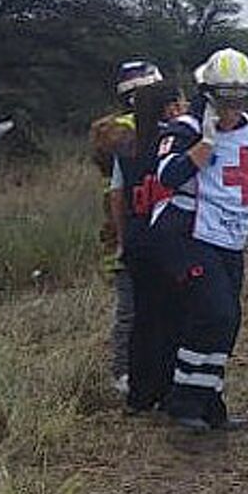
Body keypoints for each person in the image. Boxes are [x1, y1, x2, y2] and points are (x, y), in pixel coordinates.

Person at [145, 48, 248, 432]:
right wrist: (203, 146)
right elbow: (166, 176)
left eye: (239, 99)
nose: (233, 107)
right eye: (225, 99)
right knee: (214, 312)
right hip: (187, 233)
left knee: (228, 320)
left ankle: (209, 404)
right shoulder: (185, 128)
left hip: (229, 235)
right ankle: (183, 400)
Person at [108, 80, 199, 416]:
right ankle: (168, 390)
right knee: (175, 316)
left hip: (137, 237)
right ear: (170, 108)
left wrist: (122, 239)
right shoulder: (175, 142)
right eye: (181, 103)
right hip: (169, 237)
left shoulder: (126, 148)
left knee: (143, 318)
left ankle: (140, 394)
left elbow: (117, 195)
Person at [90, 59, 165, 399]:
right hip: (126, 231)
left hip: (139, 229)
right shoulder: (122, 133)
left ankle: (143, 368)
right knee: (130, 309)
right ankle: (122, 370)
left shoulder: (135, 129)